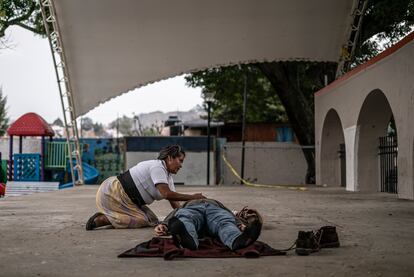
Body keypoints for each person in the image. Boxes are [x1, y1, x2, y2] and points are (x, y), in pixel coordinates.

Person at [86, 145, 206, 230]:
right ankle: (102, 220)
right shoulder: (158, 167)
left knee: (152, 220)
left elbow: (175, 203)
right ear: (169, 158)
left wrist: (186, 217)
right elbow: (166, 194)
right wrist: (192, 197)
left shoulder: (167, 177)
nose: (181, 165)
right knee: (142, 221)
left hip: (129, 201)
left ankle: (114, 218)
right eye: (180, 161)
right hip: (114, 194)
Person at [153, 198, 263, 251]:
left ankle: (237, 240)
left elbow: (229, 214)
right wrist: (165, 224)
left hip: (214, 210)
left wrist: (239, 225)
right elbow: (177, 210)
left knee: (224, 221)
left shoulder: (220, 206)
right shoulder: (188, 203)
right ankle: (188, 240)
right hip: (193, 209)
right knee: (185, 218)